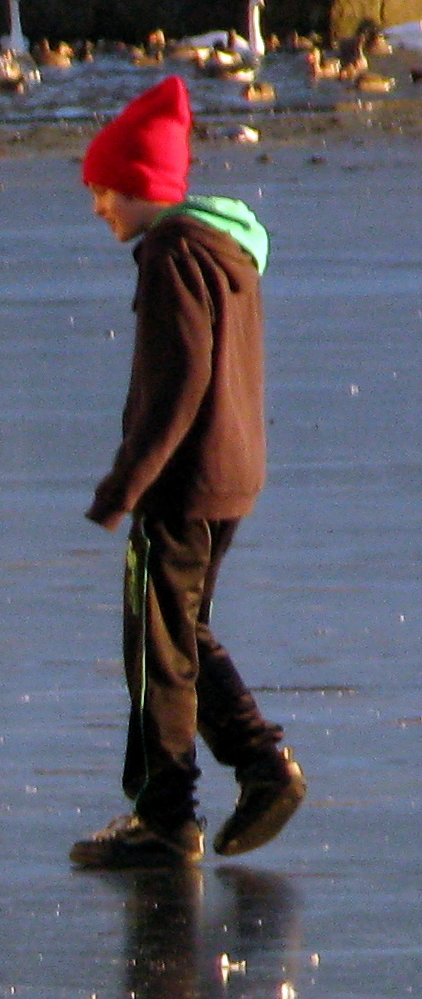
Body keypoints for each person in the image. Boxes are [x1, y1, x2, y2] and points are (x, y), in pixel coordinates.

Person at [69, 76, 304, 870]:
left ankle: (165, 815)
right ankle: (264, 771)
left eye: (104, 190)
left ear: (140, 187)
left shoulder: (171, 254)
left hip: (184, 480)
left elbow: (182, 381)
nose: (99, 206)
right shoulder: (223, 247)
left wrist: (124, 486)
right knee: (179, 635)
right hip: (229, 474)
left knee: (155, 645)